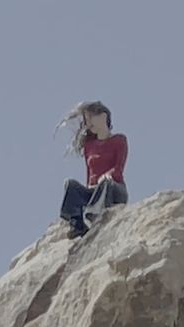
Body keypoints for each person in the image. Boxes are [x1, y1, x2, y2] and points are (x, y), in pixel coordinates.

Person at [55, 100, 129, 238]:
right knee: (70, 184)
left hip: (114, 188)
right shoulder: (89, 146)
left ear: (103, 116)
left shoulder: (119, 140)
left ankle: (95, 215)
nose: (88, 123)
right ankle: (77, 224)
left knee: (106, 183)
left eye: (90, 118)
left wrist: (107, 176)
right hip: (95, 191)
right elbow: (89, 174)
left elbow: (118, 169)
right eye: (86, 120)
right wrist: (88, 189)